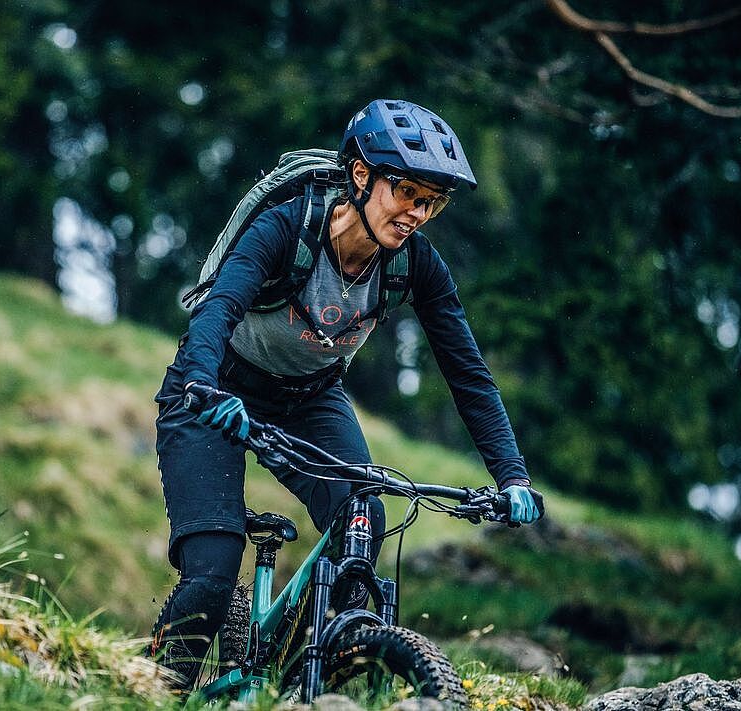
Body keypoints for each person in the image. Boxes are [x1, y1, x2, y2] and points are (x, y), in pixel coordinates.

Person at [148, 98, 542, 686]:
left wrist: (512, 477)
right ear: (362, 174)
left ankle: (295, 677)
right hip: (213, 387)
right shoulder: (287, 227)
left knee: (363, 521)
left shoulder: (417, 266)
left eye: (431, 203)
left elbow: (468, 374)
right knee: (211, 569)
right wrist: (204, 386)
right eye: (406, 191)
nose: (416, 213)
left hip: (309, 398)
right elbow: (217, 311)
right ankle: (158, 690)